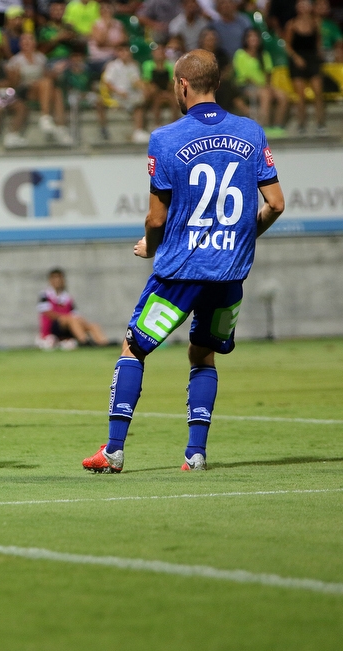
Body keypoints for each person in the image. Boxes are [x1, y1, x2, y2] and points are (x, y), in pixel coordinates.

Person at [82, 49, 285, 474]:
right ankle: (195, 455)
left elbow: (156, 217)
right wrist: (241, 238)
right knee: (202, 355)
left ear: (182, 85)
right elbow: (276, 204)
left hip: (179, 271)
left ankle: (114, 451)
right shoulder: (251, 133)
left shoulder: (166, 138)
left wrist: (151, 246)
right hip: (229, 274)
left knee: (133, 348)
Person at [36, 268, 110, 349]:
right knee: (71, 319)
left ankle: (103, 343)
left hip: (69, 325)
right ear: (50, 280)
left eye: (59, 278)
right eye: (55, 278)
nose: (57, 281)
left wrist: (82, 322)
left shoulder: (67, 297)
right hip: (54, 327)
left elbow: (75, 314)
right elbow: (48, 313)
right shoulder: (45, 295)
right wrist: (66, 317)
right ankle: (83, 341)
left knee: (92, 325)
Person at [233, 28, 289, 134]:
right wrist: (263, 87)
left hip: (264, 86)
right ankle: (264, 127)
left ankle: (278, 126)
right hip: (245, 86)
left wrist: (267, 86)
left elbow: (268, 74)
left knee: (283, 96)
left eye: (255, 37)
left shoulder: (264, 55)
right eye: (250, 37)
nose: (253, 39)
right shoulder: (240, 54)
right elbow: (245, 77)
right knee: (265, 94)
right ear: (246, 39)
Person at [283, 0, 326, 133]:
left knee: (318, 92)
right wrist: (296, 58)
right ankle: (302, 123)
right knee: (300, 95)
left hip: (312, 58)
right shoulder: (292, 24)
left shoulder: (316, 22)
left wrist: (320, 55)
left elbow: (318, 41)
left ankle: (320, 123)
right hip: (297, 59)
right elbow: (287, 45)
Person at [101, 43, 151, 142]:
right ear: (118, 53)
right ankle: (138, 131)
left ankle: (138, 131)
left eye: (126, 51)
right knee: (137, 103)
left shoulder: (133, 66)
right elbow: (107, 84)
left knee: (141, 100)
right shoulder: (113, 66)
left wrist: (144, 88)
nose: (125, 54)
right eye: (122, 51)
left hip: (129, 95)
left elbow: (135, 81)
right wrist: (119, 92)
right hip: (115, 95)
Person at [143, 43, 181, 127]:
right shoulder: (147, 65)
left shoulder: (170, 66)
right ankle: (157, 124)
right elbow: (148, 82)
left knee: (175, 100)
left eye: (161, 51)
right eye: (157, 52)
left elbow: (172, 82)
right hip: (154, 92)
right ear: (153, 54)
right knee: (157, 100)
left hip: (167, 91)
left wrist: (166, 92)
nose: (159, 54)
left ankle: (175, 125)